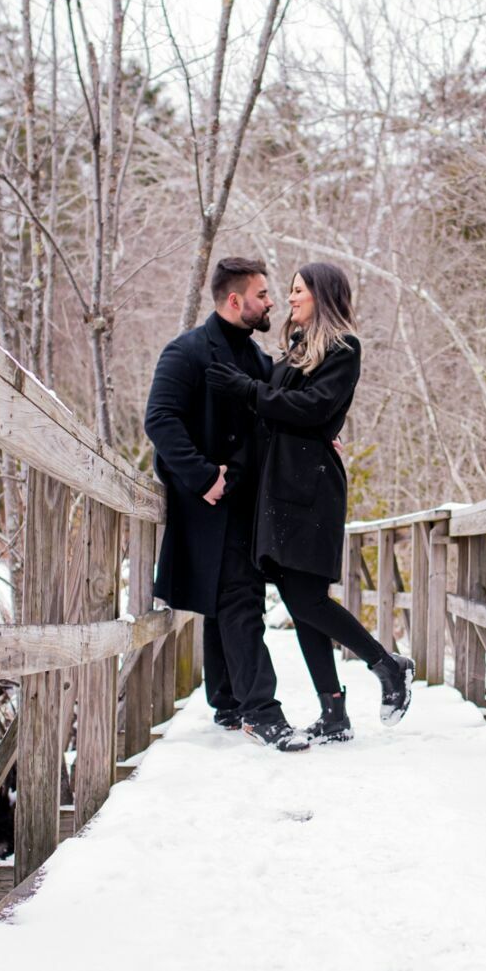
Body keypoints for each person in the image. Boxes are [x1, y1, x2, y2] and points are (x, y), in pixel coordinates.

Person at [205, 262, 414, 744]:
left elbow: (313, 408)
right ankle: (334, 714)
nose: (291, 298)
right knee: (302, 603)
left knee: (307, 598)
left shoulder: (344, 348)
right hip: (279, 488)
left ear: (322, 294)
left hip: (311, 489)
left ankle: (388, 665)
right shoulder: (296, 350)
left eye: (298, 291)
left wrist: (249, 390)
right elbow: (279, 413)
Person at [144, 257, 308, 752]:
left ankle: (229, 701)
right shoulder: (187, 352)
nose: (271, 302)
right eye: (262, 295)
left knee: (229, 599)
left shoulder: (258, 360)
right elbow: (160, 419)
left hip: (245, 501)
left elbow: (278, 416)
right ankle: (262, 710)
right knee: (239, 600)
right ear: (235, 301)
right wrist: (201, 476)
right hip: (206, 503)